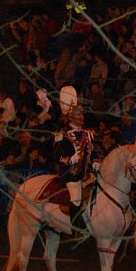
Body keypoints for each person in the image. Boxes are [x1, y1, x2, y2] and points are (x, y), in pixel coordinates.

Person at [52, 85, 100, 231]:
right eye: (78, 114)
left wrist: (96, 160)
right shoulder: (62, 134)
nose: (82, 116)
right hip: (71, 173)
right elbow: (56, 156)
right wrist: (69, 159)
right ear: (71, 116)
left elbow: (94, 150)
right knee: (77, 197)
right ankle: (76, 228)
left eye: (82, 113)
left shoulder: (89, 133)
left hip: (87, 172)